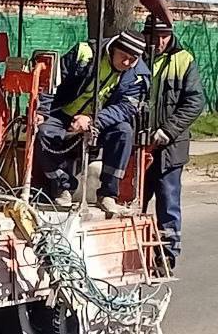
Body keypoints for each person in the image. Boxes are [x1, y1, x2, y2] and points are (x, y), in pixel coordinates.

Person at [34, 29, 149, 215]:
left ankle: (109, 194)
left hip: (100, 120)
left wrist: (93, 121)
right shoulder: (84, 53)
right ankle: (63, 187)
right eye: (123, 56)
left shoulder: (139, 75)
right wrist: (42, 111)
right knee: (43, 133)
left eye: (132, 59)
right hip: (63, 113)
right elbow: (51, 82)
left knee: (124, 132)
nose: (126, 63)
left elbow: (126, 108)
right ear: (113, 49)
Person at [142, 14, 206, 270]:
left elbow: (195, 102)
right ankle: (137, 250)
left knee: (168, 202)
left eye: (163, 36)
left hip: (170, 147)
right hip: (138, 147)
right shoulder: (136, 56)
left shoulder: (183, 60)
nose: (158, 42)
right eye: (153, 36)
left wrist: (167, 131)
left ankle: (166, 254)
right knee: (134, 202)